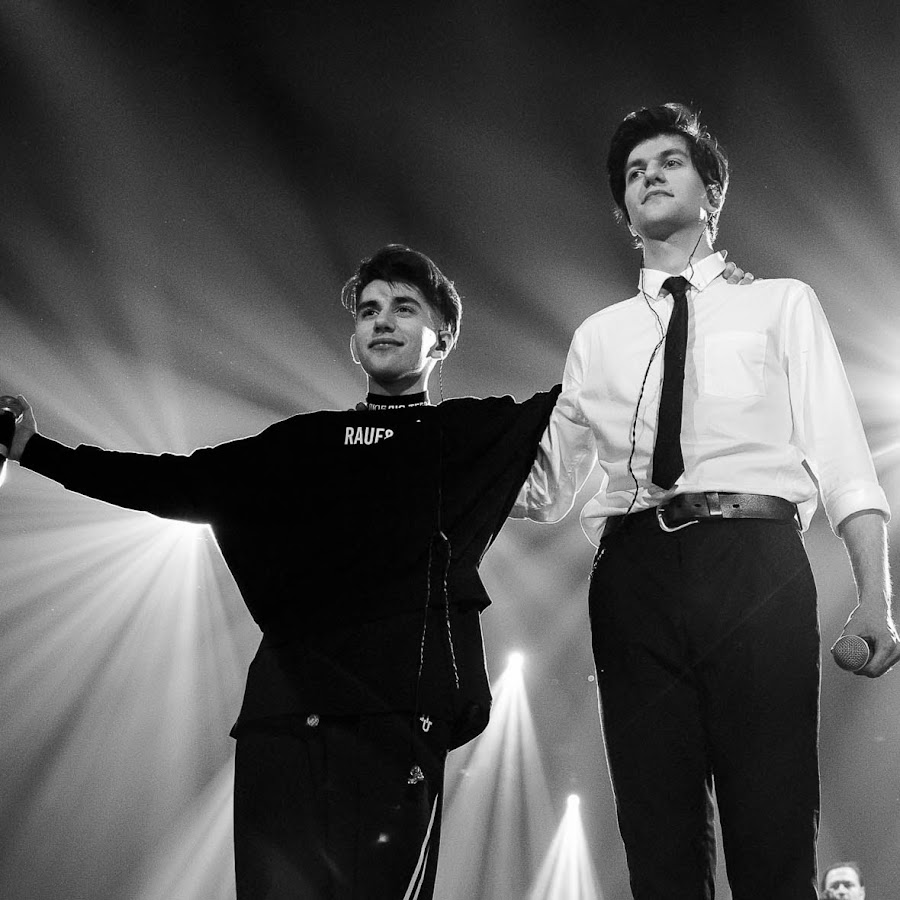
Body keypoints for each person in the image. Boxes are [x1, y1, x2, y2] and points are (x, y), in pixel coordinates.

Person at [3, 244, 563, 900]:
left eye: (404, 308)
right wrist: (35, 451)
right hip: (284, 718)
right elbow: (173, 481)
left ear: (441, 339)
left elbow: (585, 399)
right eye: (369, 311)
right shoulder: (304, 444)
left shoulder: (467, 435)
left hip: (395, 719)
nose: (382, 320)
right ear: (354, 342)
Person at [513, 103, 898, 899]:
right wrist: (437, 459)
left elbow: (842, 457)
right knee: (657, 836)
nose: (649, 176)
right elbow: (546, 488)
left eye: (669, 162)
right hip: (633, 574)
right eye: (634, 172)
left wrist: (876, 598)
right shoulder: (597, 337)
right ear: (624, 214)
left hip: (754, 560)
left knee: (773, 824)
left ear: (712, 192)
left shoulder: (781, 303)